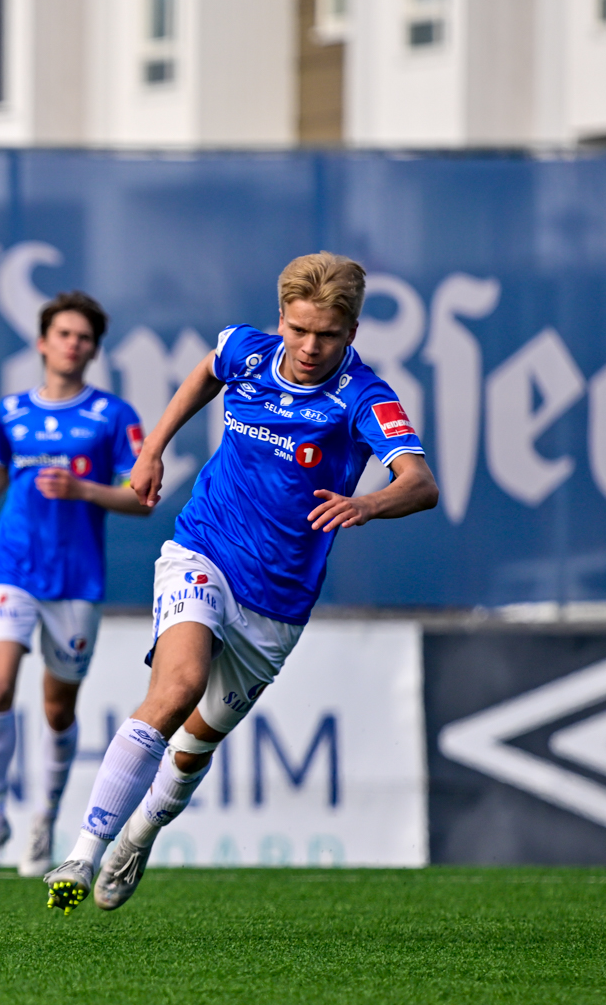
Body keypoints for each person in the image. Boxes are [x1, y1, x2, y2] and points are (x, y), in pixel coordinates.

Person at [42, 252, 439, 913]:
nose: (310, 348)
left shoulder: (363, 397)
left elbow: (419, 482)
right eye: (299, 330)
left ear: (353, 331)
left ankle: (139, 834)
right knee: (175, 688)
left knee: (197, 741)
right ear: (280, 317)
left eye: (329, 335)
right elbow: (204, 373)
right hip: (204, 547)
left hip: (278, 600)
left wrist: (367, 503)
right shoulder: (245, 351)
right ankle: (81, 853)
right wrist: (151, 448)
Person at [0, 292, 149, 879]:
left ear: (94, 349)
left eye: (83, 337)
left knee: (58, 709)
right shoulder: (12, 410)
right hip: (11, 563)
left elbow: (140, 496)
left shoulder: (113, 416)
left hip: (76, 578)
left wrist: (85, 491)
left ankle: (44, 821)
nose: (72, 344)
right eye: (63, 334)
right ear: (42, 342)